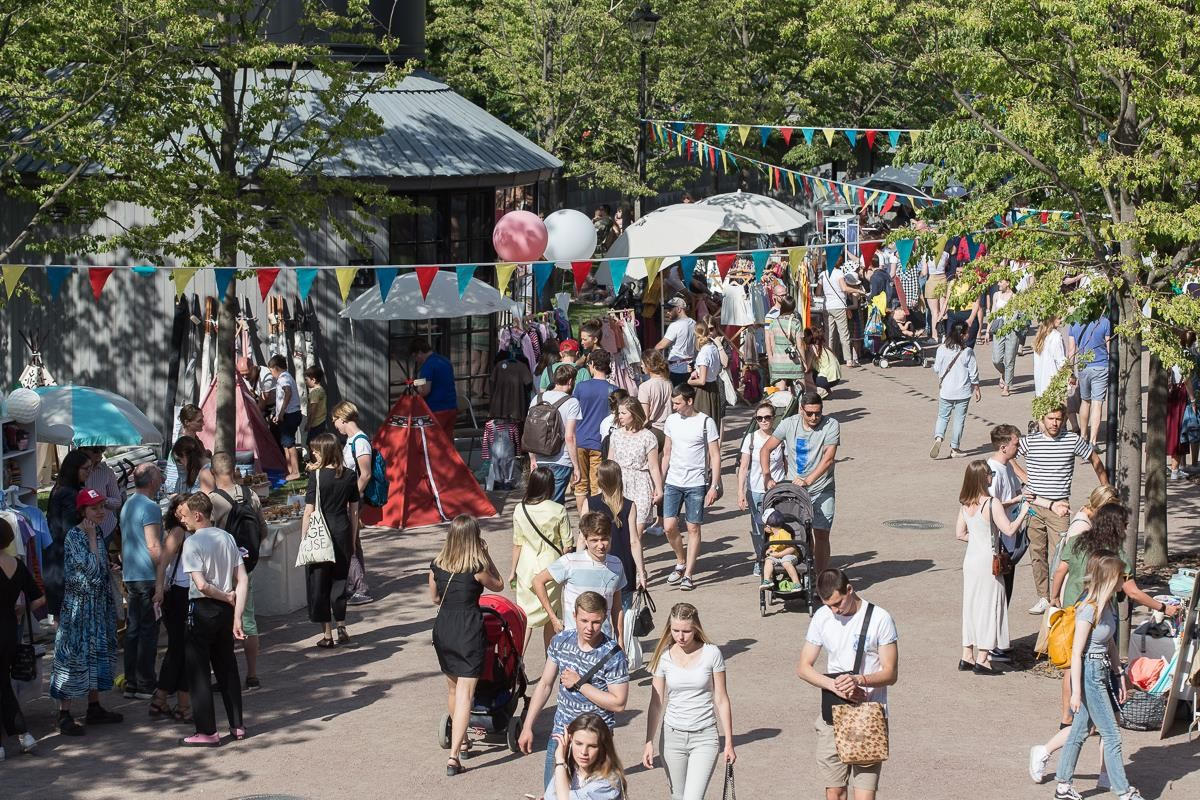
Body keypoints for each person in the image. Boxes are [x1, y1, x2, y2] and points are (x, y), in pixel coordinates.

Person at [1030, 505, 1182, 784]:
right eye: (1124, 525)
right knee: (1101, 726)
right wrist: (1161, 606)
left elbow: (1060, 571)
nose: (1126, 530)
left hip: (1084, 624)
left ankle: (1100, 774)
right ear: (1115, 526)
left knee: (1095, 719)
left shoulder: (1077, 543)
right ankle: (1065, 761)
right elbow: (1132, 591)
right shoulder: (1115, 557)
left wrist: (1053, 601)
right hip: (1093, 630)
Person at [1048, 552, 1146, 800]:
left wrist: (1118, 673)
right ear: (1109, 579)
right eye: (1121, 577)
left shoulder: (1108, 605)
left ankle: (1063, 785)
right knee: (1112, 734)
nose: (1124, 581)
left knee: (1080, 731)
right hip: (1089, 674)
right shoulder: (1087, 610)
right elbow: (1077, 653)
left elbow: (1110, 643)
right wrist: (1076, 693)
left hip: (1101, 671)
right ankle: (1123, 791)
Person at [796, 569, 899, 800]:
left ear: (850, 589)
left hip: (868, 715)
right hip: (834, 715)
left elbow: (891, 673)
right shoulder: (823, 617)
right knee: (834, 792)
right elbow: (803, 667)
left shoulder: (880, 618)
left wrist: (859, 680)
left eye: (838, 603)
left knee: (864, 795)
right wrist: (834, 686)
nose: (835, 610)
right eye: (829, 605)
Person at [518, 591, 630, 791]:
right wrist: (527, 726)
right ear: (574, 615)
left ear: (604, 617)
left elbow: (619, 703)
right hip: (561, 736)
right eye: (584, 620)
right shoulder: (561, 641)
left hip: (594, 741)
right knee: (552, 793)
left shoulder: (613, 655)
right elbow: (545, 684)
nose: (589, 628)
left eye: (596, 622)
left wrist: (580, 684)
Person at [429, 515, 504, 775]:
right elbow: (500, 584)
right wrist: (486, 555)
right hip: (468, 630)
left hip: (444, 629)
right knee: (466, 695)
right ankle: (453, 757)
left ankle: (462, 743)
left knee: (452, 691)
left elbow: (435, 598)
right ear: (474, 538)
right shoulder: (477, 568)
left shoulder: (437, 564)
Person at [1020, 405, 1109, 615]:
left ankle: (1056, 595)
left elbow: (1094, 459)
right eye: (1050, 419)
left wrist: (1106, 490)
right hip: (1034, 505)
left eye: (1059, 419)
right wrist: (1023, 477)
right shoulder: (1031, 440)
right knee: (1037, 553)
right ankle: (1042, 596)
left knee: (1060, 554)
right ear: (1042, 419)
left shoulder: (1072, 440)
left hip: (1059, 506)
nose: (1054, 423)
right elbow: (1009, 454)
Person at [642, 603, 735, 800]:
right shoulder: (664, 656)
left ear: (696, 629)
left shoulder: (712, 653)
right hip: (671, 737)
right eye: (675, 630)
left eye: (686, 631)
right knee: (678, 797)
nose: (680, 637)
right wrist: (649, 741)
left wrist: (729, 741)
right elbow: (656, 703)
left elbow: (721, 698)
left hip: (705, 736)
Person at [177, 492, 249, 747]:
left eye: (184, 516)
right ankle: (237, 724)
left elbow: (202, 585)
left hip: (203, 608)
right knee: (227, 666)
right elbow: (243, 579)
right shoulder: (227, 538)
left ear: (197, 515)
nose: (182, 521)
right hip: (226, 612)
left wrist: (225, 596)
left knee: (199, 671)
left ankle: (207, 730)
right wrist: (237, 613)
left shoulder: (192, 543)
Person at [49, 488, 123, 735]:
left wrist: (108, 562)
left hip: (98, 605)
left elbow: (99, 566)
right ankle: (64, 713)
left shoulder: (98, 532)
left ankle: (94, 706)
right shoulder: (76, 535)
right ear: (82, 511)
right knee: (72, 656)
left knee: (96, 653)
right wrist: (92, 539)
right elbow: (90, 571)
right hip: (79, 607)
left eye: (102, 506)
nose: (100, 511)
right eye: (94, 508)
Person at [955, 461, 1029, 674]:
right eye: (990, 474)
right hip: (988, 560)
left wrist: (978, 540)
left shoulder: (966, 503)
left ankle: (966, 654)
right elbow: (1008, 529)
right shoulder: (991, 503)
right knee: (990, 605)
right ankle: (983, 658)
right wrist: (1023, 511)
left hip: (971, 560)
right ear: (983, 478)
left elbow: (959, 533)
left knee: (971, 605)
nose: (992, 477)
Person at [761, 392, 841, 574]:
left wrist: (808, 480)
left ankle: (821, 579)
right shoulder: (790, 424)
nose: (814, 417)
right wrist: (767, 476)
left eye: (818, 413)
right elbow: (766, 448)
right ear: (801, 410)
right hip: (796, 491)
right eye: (809, 413)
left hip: (822, 488)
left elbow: (829, 459)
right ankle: (807, 570)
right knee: (801, 532)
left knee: (821, 533)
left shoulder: (831, 425)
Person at [207, 452, 266, 689]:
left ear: (213, 473)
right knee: (247, 619)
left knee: (222, 623)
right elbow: (262, 530)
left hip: (220, 570)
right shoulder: (250, 494)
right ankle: (252, 674)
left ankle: (225, 676)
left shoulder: (211, 500)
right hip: (245, 566)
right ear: (234, 470)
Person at [302, 433, 361, 648]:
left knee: (320, 585)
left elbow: (309, 511)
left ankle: (327, 635)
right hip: (342, 531)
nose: (313, 453)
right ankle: (342, 626)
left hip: (320, 535)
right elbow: (354, 512)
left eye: (316, 450)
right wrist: (353, 538)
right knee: (339, 582)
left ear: (324, 452)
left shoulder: (316, 477)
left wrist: (303, 538)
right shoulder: (350, 476)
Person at [660, 385, 721, 591]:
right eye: (673, 403)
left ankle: (688, 574)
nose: (674, 407)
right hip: (673, 481)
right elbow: (667, 452)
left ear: (690, 401)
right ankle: (680, 560)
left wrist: (714, 485)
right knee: (669, 526)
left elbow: (715, 455)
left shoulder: (705, 422)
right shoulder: (671, 420)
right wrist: (660, 480)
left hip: (696, 482)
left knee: (693, 527)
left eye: (677, 403)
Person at [508, 467, 575, 652]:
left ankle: (518, 660)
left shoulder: (519, 509)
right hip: (550, 567)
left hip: (525, 566)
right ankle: (550, 661)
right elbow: (568, 545)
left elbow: (517, 543)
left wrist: (513, 571)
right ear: (551, 486)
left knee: (525, 617)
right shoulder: (558, 510)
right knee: (550, 615)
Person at [533, 513, 625, 638]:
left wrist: (620, 640)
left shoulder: (616, 564)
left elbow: (617, 607)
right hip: (574, 640)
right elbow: (538, 581)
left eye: (604, 539)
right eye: (594, 540)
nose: (601, 545)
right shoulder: (570, 561)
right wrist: (553, 618)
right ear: (585, 540)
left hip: (604, 640)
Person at [118, 463, 165, 701]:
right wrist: (162, 575)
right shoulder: (150, 507)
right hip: (146, 575)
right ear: (151, 480)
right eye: (158, 474)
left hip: (132, 574)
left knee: (134, 629)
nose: (161, 477)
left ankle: (132, 682)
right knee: (148, 630)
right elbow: (154, 545)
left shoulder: (128, 505)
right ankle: (146, 682)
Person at [588, 461, 648, 645]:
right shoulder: (629, 505)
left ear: (599, 480)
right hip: (624, 566)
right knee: (623, 612)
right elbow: (634, 541)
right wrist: (641, 572)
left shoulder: (590, 503)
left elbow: (583, 538)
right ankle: (621, 649)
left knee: (600, 614)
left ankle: (605, 653)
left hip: (597, 565)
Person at [0, 518, 44, 757]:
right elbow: (38, 598)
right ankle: (23, 735)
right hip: (9, 629)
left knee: (3, 685)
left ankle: (19, 736)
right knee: (4, 683)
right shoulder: (17, 564)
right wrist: (18, 608)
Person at [149, 497, 191, 723]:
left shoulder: (186, 530)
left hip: (180, 593)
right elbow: (163, 561)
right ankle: (179, 704)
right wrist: (158, 589)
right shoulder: (178, 531)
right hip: (177, 595)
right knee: (182, 649)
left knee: (178, 649)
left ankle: (161, 699)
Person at [331, 400, 374, 606]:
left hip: (354, 500)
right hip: (352, 499)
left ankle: (360, 587)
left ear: (343, 418)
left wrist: (351, 497)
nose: (335, 425)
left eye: (335, 420)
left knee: (347, 543)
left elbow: (365, 474)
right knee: (352, 541)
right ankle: (356, 583)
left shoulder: (360, 441)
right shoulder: (352, 441)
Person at [606, 396, 663, 548]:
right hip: (620, 485)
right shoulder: (616, 435)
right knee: (620, 531)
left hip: (641, 484)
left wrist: (659, 489)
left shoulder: (648, 437)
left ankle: (638, 570)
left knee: (636, 535)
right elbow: (610, 462)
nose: (620, 416)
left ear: (634, 413)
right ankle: (626, 567)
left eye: (624, 413)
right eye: (619, 413)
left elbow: (653, 466)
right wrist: (604, 485)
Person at [738, 401, 787, 575]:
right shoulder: (751, 438)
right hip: (756, 490)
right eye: (760, 418)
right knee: (759, 528)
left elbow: (786, 463)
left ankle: (779, 557)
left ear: (773, 418)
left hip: (777, 489)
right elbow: (744, 467)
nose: (764, 421)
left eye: (767, 417)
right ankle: (761, 559)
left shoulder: (781, 438)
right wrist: (740, 493)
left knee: (779, 526)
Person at [45, 448, 92, 617]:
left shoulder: (61, 488)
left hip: (57, 557)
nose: (89, 472)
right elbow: (70, 530)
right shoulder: (69, 494)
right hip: (65, 561)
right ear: (74, 469)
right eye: (85, 469)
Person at [529, 364, 583, 505]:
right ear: (571, 381)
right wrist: (576, 466)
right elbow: (569, 437)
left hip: (540, 457)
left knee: (540, 501)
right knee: (555, 504)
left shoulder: (537, 399)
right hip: (561, 459)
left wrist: (532, 459)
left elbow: (531, 431)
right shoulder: (572, 402)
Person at [573, 350, 617, 512]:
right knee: (597, 484)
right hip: (600, 443)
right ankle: (596, 519)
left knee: (580, 484)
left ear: (591, 365)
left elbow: (574, 413)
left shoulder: (580, 387)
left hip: (579, 440)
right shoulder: (613, 390)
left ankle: (583, 520)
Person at [930, 320, 981, 460]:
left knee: (943, 416)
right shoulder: (967, 351)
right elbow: (973, 372)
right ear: (963, 334)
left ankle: (939, 437)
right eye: (967, 332)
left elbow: (936, 369)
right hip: (963, 391)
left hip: (946, 390)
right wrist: (976, 387)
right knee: (959, 419)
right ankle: (954, 447)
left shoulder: (941, 349)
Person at [548, 712, 628, 800]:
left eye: (592, 746)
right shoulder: (569, 769)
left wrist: (560, 761)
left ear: (603, 747)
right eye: (578, 743)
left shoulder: (607, 783)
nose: (584, 752)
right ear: (570, 740)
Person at [1067, 314, 1113, 449]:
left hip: (1083, 367)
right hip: (1101, 366)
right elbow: (1109, 347)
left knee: (1085, 401)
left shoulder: (1074, 322)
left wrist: (1071, 372)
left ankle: (1083, 436)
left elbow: (1071, 350)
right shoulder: (1104, 322)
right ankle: (1093, 441)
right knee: (1097, 404)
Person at [821, 256, 866, 366]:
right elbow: (844, 288)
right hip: (839, 306)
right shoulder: (839, 273)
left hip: (827, 306)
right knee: (843, 333)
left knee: (829, 334)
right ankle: (848, 360)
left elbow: (818, 292)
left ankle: (829, 359)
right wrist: (858, 291)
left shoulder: (822, 274)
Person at [412, 337, 459, 438]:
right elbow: (437, 380)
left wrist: (416, 389)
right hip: (451, 407)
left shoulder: (428, 365)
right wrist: (414, 382)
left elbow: (425, 390)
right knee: (447, 442)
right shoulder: (445, 361)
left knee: (434, 443)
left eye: (415, 357)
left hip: (436, 409)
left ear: (420, 352)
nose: (416, 360)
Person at [267, 354, 303, 481]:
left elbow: (288, 392)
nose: (272, 374)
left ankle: (296, 471)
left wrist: (281, 413)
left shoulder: (283, 378)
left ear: (276, 368)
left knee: (289, 444)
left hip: (290, 414)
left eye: (271, 371)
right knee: (285, 444)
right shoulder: (287, 377)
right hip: (290, 414)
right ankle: (289, 470)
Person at [687, 322, 725, 427]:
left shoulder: (704, 353)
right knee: (712, 423)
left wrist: (689, 381)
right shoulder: (713, 348)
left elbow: (702, 380)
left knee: (702, 424)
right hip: (713, 387)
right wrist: (697, 371)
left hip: (704, 391)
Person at [83, 446, 123, 541]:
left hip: (104, 528)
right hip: (80, 530)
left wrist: (102, 500)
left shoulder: (106, 471)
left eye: (102, 451)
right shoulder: (73, 471)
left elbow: (117, 501)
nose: (100, 456)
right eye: (96, 451)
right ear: (83, 450)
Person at [987, 277, 1019, 395]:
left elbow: (1017, 316)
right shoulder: (996, 295)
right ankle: (1004, 373)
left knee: (1009, 359)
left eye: (1001, 281)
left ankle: (1007, 387)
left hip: (1012, 330)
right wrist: (987, 330)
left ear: (1008, 282)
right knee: (996, 359)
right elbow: (993, 313)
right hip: (998, 329)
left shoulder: (1015, 298)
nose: (998, 284)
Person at [657, 297, 697, 387]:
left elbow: (660, 346)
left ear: (679, 309)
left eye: (670, 309)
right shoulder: (694, 323)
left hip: (676, 369)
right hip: (691, 366)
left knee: (677, 397)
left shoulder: (675, 325)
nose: (667, 312)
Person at [638, 349, 674, 437]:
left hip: (653, 430)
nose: (641, 366)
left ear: (648, 365)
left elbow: (644, 417)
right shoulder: (668, 383)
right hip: (668, 431)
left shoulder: (645, 387)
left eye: (642, 363)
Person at [761, 515, 803, 589]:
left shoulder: (784, 534)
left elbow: (791, 549)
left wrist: (779, 554)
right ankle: (767, 580)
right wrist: (769, 550)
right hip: (778, 556)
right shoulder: (771, 535)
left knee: (785, 562)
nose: (763, 528)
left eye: (764, 526)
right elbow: (772, 547)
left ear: (769, 526)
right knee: (768, 560)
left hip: (790, 555)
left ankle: (796, 583)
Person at [1033, 316, 1067, 398]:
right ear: (1052, 320)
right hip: (1052, 380)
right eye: (1058, 318)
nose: (1061, 321)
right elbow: (1060, 359)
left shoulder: (1040, 336)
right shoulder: (1056, 336)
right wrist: (1069, 373)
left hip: (1040, 382)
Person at [804, 327, 843, 398]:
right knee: (816, 371)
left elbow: (807, 368)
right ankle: (827, 389)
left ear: (809, 337)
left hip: (827, 379)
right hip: (836, 379)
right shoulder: (824, 347)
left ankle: (821, 391)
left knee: (804, 376)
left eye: (804, 337)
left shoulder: (812, 348)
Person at [304, 365, 330, 444]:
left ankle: (314, 456)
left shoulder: (315, 392)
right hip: (322, 421)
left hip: (315, 423)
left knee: (312, 444)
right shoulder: (321, 390)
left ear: (313, 380)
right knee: (319, 444)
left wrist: (309, 424)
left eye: (306, 379)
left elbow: (313, 409)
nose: (305, 382)